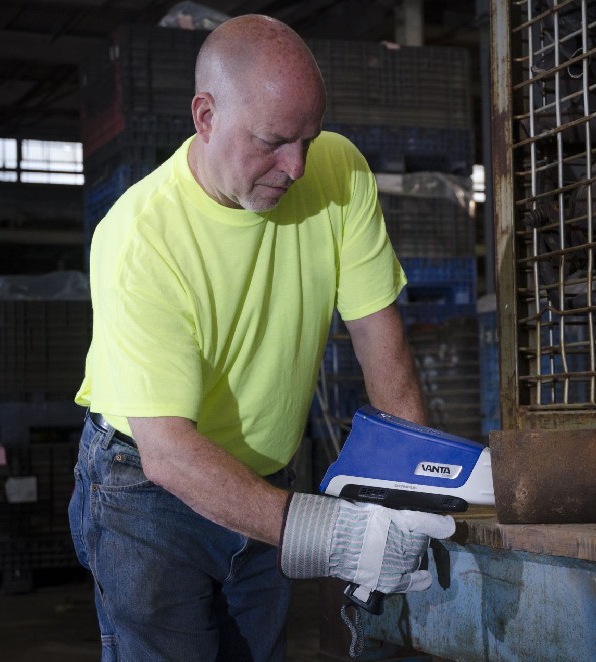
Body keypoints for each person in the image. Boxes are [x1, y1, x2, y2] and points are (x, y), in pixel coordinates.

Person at [68, 14, 455, 661]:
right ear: (206, 116)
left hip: (268, 474)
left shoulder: (339, 172)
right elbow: (169, 453)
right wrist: (336, 537)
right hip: (148, 491)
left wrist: (407, 493)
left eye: (309, 139)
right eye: (274, 141)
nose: (297, 166)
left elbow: (382, 346)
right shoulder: (139, 238)